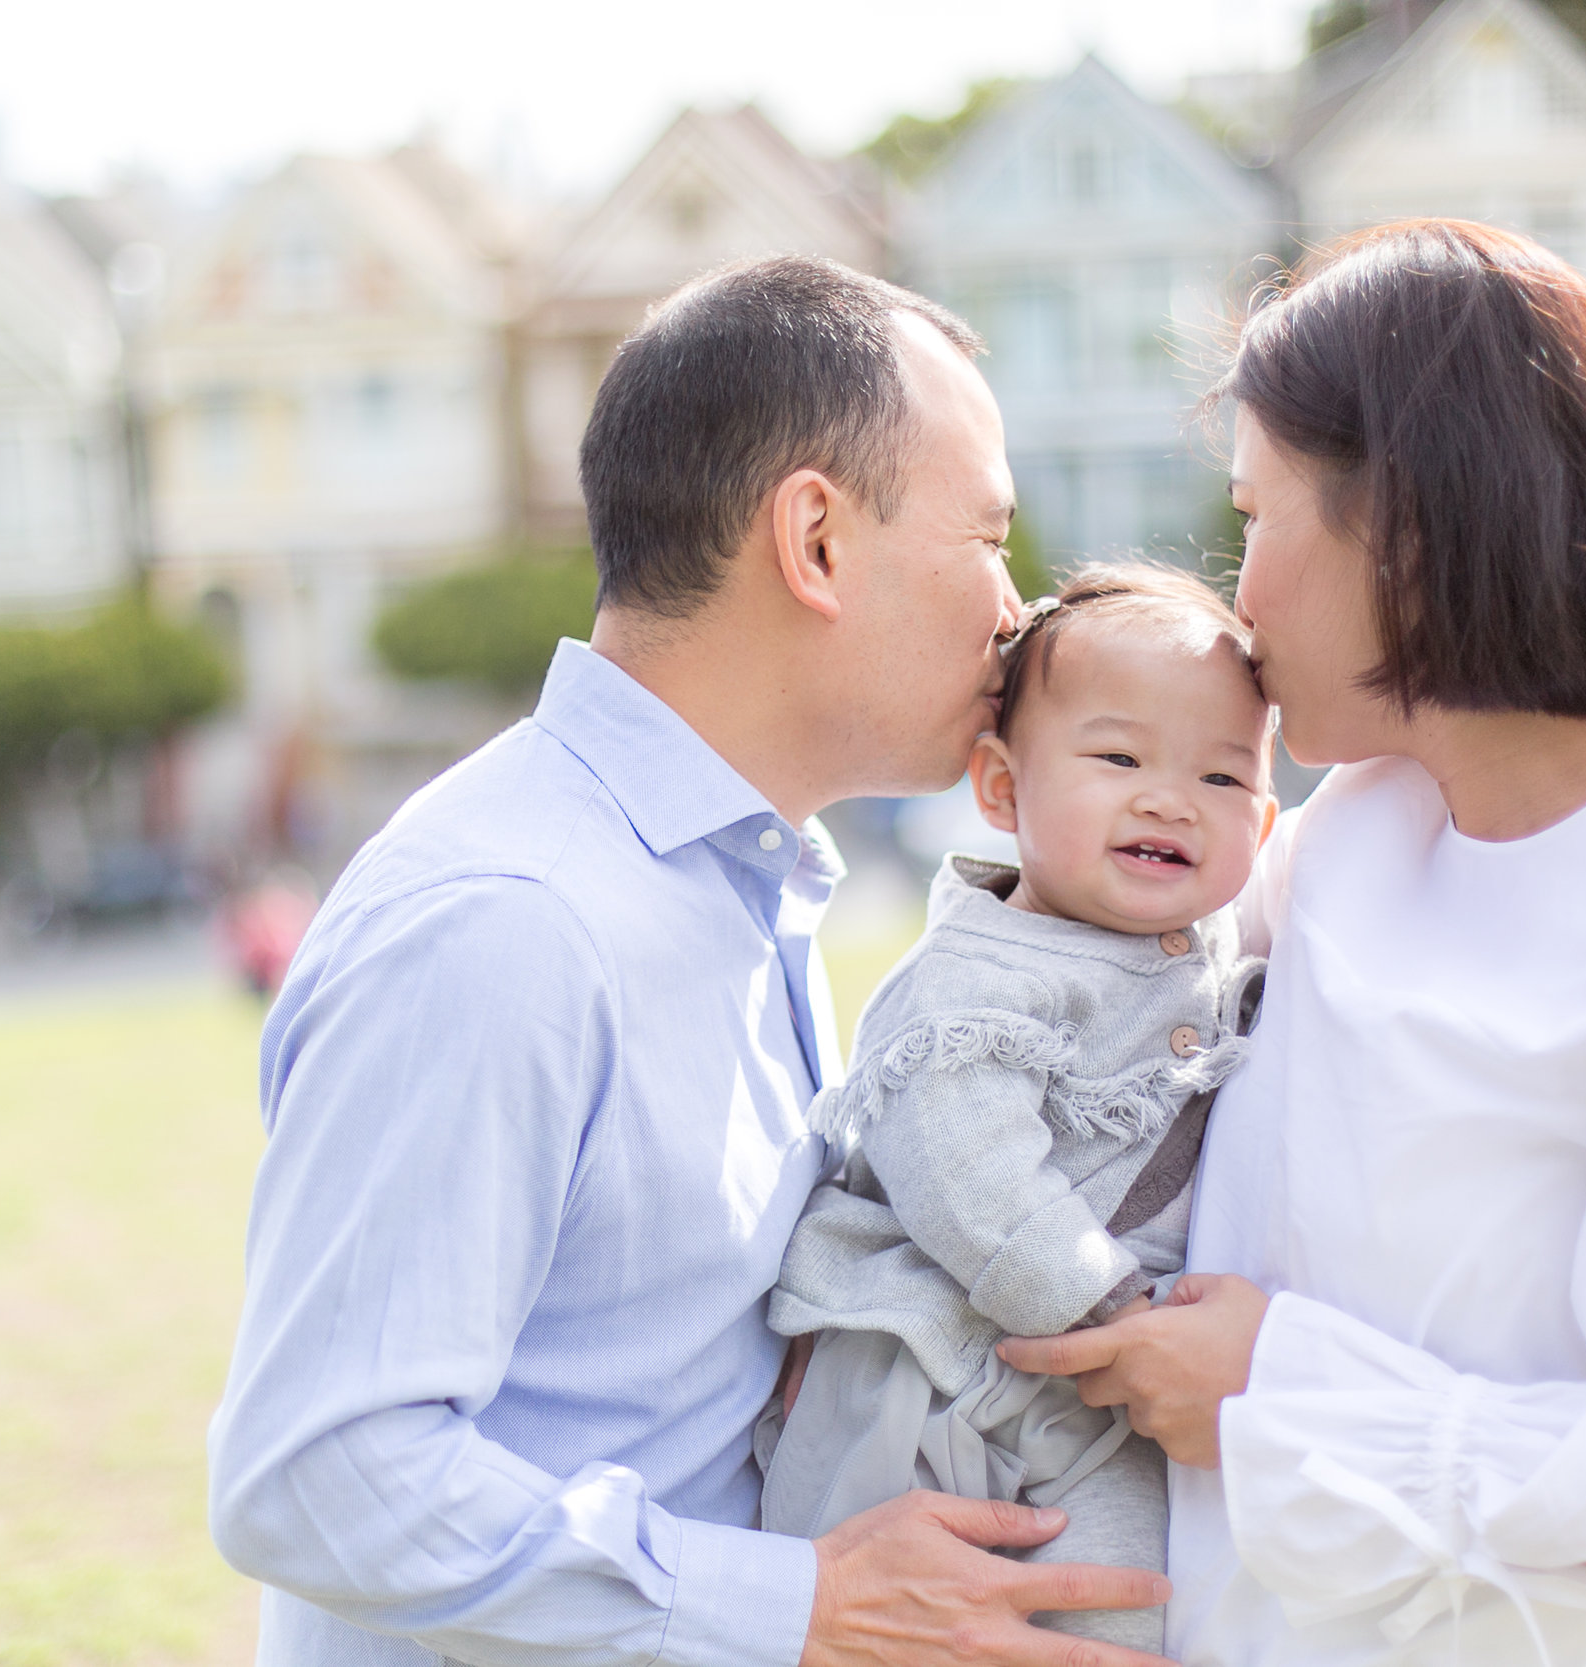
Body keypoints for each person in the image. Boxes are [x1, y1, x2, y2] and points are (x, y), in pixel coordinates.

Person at [998, 219, 1586, 1664]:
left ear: (1405, 516)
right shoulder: (1352, 839)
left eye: (1258, 516)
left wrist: (1291, 1388)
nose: (1239, 599)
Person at [207, 256, 1176, 1667]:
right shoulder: (509, 921)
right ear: (817, 541)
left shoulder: (736, 881)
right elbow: (319, 1473)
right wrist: (800, 1605)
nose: (1015, 610)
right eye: (986, 539)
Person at [757, 564, 1278, 1659]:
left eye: (1221, 777)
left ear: (1265, 818)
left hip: (1093, 1407)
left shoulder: (1214, 947)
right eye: (1119, 757)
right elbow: (965, 1166)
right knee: (896, 1628)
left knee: (1120, 1613)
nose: (1168, 798)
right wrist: (1102, 1301)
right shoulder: (978, 974)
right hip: (923, 1376)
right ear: (1000, 788)